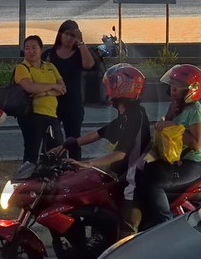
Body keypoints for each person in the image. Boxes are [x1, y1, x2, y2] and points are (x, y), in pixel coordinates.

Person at [62, 63, 151, 225]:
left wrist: (87, 163)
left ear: (123, 88)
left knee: (126, 221)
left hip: (134, 176)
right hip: (122, 172)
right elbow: (98, 134)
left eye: (110, 86)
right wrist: (67, 145)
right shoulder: (125, 115)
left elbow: (120, 154)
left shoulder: (135, 116)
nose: (107, 90)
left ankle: (127, 241)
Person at [130, 64, 201, 237]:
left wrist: (176, 126)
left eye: (179, 85)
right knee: (141, 174)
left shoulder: (196, 111)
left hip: (193, 163)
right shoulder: (175, 105)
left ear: (192, 89)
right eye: (173, 82)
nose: (173, 87)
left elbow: (196, 143)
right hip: (172, 157)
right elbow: (166, 131)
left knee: (155, 184)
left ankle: (164, 223)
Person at [14, 34, 66, 165]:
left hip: (52, 115)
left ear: (41, 49)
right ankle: (26, 181)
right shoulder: (22, 68)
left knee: (57, 151)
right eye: (27, 48)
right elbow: (30, 87)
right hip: (32, 115)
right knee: (32, 152)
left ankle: (51, 181)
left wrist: (43, 92)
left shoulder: (50, 66)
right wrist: (53, 86)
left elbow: (63, 88)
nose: (30, 51)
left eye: (34, 48)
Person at [48, 20, 96, 159]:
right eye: (66, 34)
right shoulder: (50, 54)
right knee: (53, 140)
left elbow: (89, 65)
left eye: (73, 36)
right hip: (52, 104)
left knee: (74, 140)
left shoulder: (78, 53)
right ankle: (54, 169)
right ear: (60, 35)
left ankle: (75, 170)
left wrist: (81, 43)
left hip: (73, 104)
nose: (69, 38)